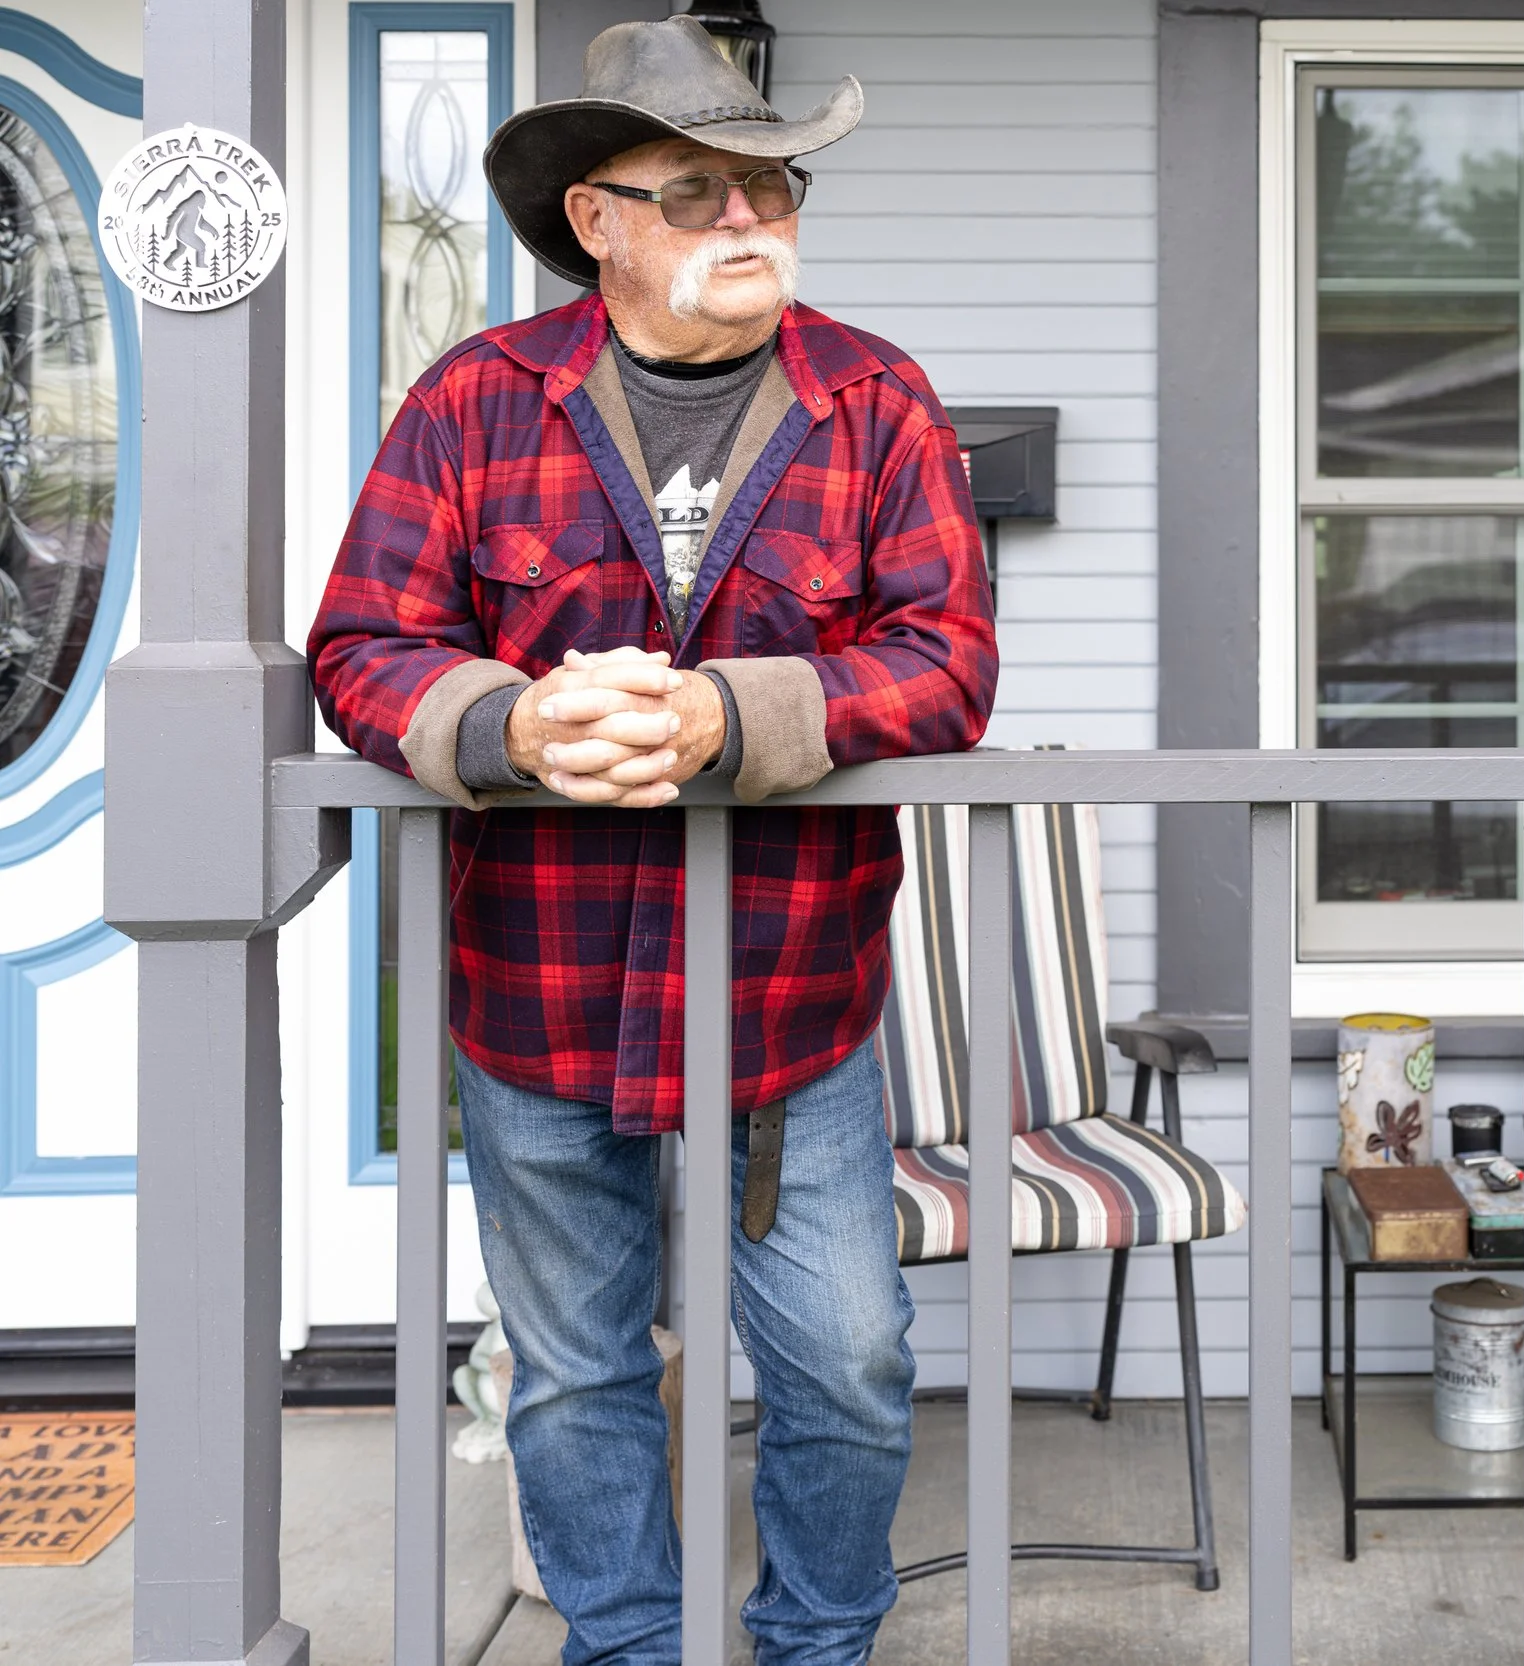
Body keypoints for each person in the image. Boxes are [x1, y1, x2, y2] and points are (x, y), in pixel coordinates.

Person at [308, 19, 997, 1664]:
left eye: (772, 182)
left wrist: (725, 721)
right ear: (599, 222)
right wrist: (514, 725)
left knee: (848, 1357)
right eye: (699, 191)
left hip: (786, 1000)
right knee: (575, 1370)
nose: (753, 216)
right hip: (536, 996)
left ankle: (815, 1642)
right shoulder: (479, 400)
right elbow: (364, 643)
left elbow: (946, 658)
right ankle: (623, 1645)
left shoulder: (875, 398)